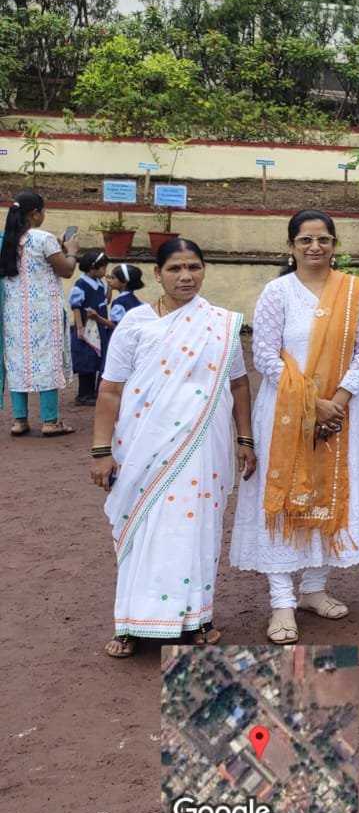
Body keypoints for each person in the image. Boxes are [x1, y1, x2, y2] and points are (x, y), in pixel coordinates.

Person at [89, 238, 255, 657]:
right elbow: (110, 391)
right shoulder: (136, 323)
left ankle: (197, 619)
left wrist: (245, 438)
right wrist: (100, 450)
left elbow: (237, 383)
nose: (186, 277)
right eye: (176, 269)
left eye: (194, 267)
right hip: (144, 447)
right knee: (144, 527)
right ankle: (129, 623)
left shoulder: (219, 323)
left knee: (195, 528)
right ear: (158, 273)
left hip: (204, 445)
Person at [231, 210, 359, 646]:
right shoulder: (278, 292)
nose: (315, 248)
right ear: (291, 246)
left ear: (335, 244)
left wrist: (340, 400)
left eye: (324, 240)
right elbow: (265, 356)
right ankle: (281, 601)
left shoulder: (355, 291)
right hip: (287, 413)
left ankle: (314, 588)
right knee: (285, 497)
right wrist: (313, 402)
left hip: (342, 411)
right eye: (305, 241)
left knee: (330, 491)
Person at [1, 191, 78, 436]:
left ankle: (19, 420)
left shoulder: (6, 240)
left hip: (13, 313)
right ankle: (50, 420)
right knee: (47, 362)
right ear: (35, 213)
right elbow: (66, 270)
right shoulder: (43, 238)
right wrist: (72, 251)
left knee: (17, 363)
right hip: (44, 312)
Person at [69, 250, 112, 406]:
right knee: (86, 359)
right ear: (93, 267)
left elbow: (105, 301)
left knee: (96, 359)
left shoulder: (99, 283)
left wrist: (110, 287)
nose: (105, 271)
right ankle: (83, 394)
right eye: (103, 268)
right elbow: (75, 306)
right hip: (87, 328)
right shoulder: (81, 284)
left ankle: (93, 393)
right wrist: (79, 328)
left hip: (98, 327)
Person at [102, 263, 146, 361]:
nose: (110, 281)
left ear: (124, 282)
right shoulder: (136, 300)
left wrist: (97, 318)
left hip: (120, 343)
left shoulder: (119, 303)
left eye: (113, 278)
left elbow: (115, 325)